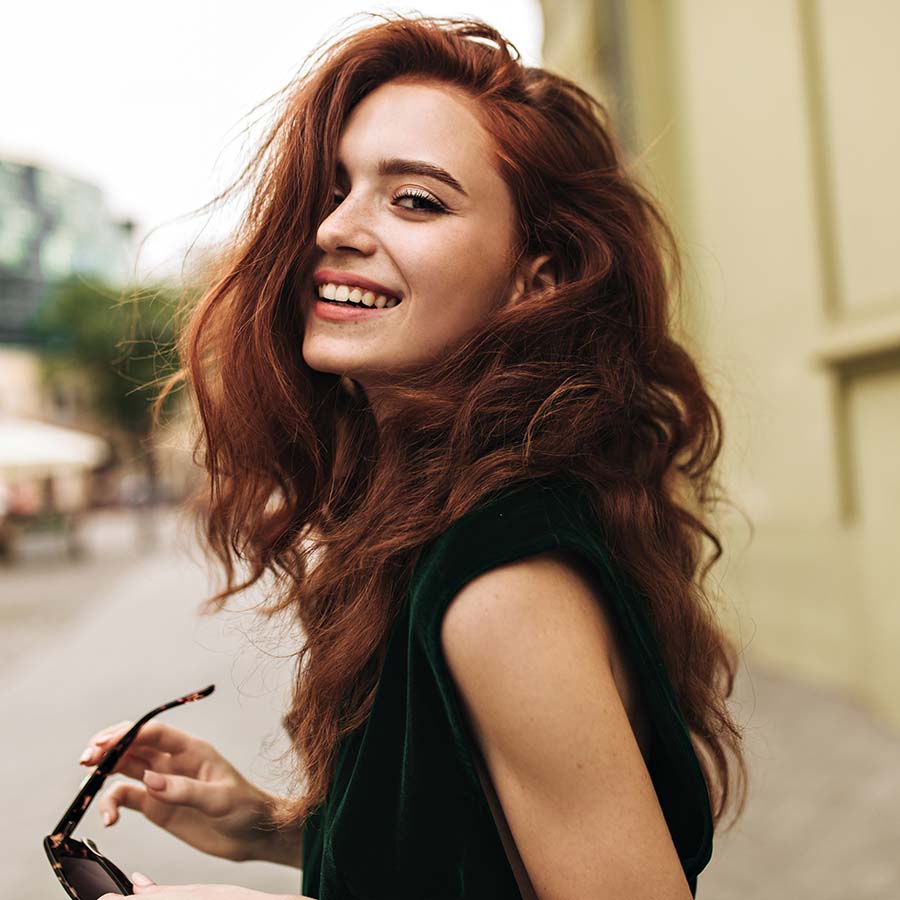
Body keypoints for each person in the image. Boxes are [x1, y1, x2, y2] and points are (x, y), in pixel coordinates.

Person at [87, 13, 747, 900]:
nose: (333, 228)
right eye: (336, 187)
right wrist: (273, 830)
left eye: (417, 200)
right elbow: (467, 857)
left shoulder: (500, 582)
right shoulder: (437, 516)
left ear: (537, 277)